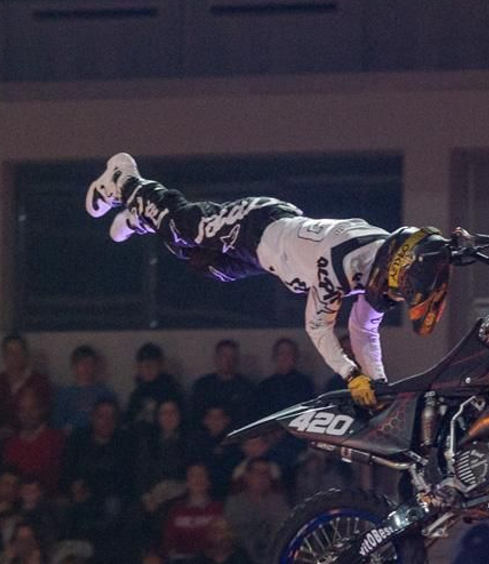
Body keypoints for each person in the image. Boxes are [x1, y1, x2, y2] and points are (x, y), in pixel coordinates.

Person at [86, 153, 454, 407]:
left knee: (202, 263)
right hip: (255, 224)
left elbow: (364, 328)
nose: (390, 296)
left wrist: (379, 385)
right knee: (185, 227)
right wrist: (351, 374)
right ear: (393, 266)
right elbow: (317, 327)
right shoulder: (340, 263)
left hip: (263, 259)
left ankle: (144, 219)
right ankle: (124, 179)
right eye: (395, 290)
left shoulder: (382, 263)